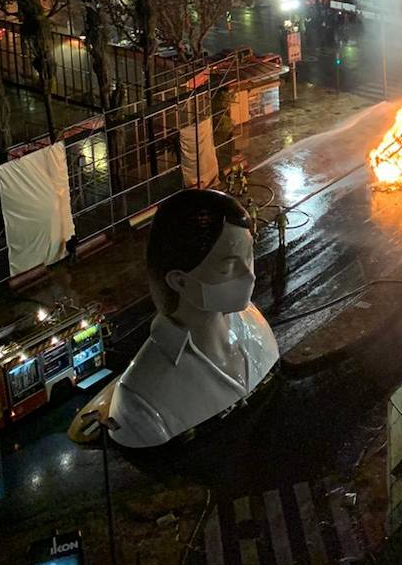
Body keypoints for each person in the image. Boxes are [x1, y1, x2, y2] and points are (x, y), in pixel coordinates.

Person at [105, 189, 279, 448]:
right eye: (229, 266)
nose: (249, 275)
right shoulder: (141, 403)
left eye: (249, 256)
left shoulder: (254, 321)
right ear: (180, 281)